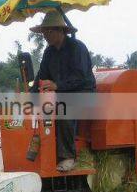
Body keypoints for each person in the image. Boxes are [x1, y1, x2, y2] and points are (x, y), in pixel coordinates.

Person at [29, 11, 96, 171]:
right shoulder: (49, 52)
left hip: (83, 92)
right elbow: (41, 77)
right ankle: (46, 152)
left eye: (49, 32)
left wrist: (57, 86)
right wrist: (30, 96)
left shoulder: (77, 48)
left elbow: (80, 77)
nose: (45, 36)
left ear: (61, 31)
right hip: (61, 93)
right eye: (44, 32)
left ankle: (68, 157)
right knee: (40, 108)